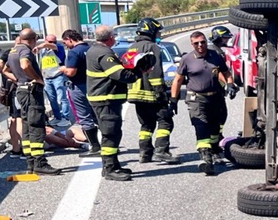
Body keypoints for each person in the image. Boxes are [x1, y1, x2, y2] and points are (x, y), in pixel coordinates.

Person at [87, 25, 150, 181]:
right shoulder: (104, 53)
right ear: (110, 38)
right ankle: (109, 168)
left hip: (103, 98)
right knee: (111, 133)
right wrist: (139, 71)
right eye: (114, 36)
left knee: (113, 132)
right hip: (106, 99)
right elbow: (120, 74)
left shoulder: (94, 50)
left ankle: (113, 164)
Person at [171, 31, 237, 175]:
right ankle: (205, 158)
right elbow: (178, 80)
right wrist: (174, 100)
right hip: (196, 98)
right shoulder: (187, 59)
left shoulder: (215, 56)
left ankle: (214, 150)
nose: (200, 45)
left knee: (216, 125)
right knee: (201, 125)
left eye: (202, 42)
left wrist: (230, 84)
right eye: (196, 43)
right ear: (192, 44)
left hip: (216, 97)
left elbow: (226, 73)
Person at [8, 29, 62, 175]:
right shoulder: (26, 51)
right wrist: (36, 79)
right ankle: (40, 162)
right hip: (31, 91)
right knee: (37, 126)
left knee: (26, 125)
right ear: (33, 39)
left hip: (21, 90)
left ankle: (30, 161)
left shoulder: (13, 50)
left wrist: (18, 79)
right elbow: (25, 64)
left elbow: (3, 68)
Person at [127, 18, 176, 164]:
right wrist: (161, 94)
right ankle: (161, 151)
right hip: (151, 93)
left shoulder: (132, 47)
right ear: (151, 31)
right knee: (165, 121)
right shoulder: (153, 47)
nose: (158, 34)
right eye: (157, 31)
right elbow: (155, 73)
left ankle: (145, 153)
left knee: (146, 124)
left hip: (135, 94)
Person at [62, 29, 100, 158]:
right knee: (97, 115)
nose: (65, 45)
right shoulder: (91, 49)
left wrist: (63, 69)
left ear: (70, 39)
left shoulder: (74, 52)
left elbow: (71, 72)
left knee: (84, 117)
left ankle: (95, 147)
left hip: (78, 86)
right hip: (93, 85)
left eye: (65, 42)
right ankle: (108, 144)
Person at [0, 38, 24, 157]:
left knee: (14, 118)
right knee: (20, 119)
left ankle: (16, 149)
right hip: (17, 89)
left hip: (10, 89)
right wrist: (15, 78)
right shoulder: (19, 53)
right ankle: (24, 149)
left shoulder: (9, 52)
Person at [36, 33, 73, 127]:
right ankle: (58, 117)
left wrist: (43, 45)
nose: (52, 43)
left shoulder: (58, 47)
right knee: (52, 99)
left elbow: (53, 46)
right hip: (47, 78)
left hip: (58, 76)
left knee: (62, 98)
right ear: (45, 40)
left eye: (54, 41)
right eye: (50, 41)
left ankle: (66, 118)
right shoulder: (42, 51)